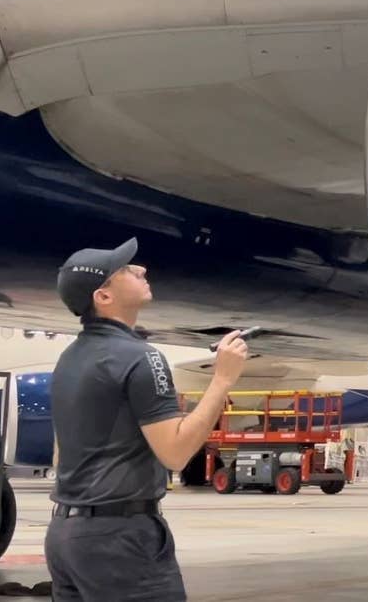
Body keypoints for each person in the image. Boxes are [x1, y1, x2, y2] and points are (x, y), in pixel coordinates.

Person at [44, 238, 249, 601]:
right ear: (103, 297)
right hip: (120, 539)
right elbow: (175, 453)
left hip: (65, 535)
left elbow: (62, 455)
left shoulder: (68, 360)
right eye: (125, 269)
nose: (141, 269)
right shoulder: (141, 358)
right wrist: (222, 379)